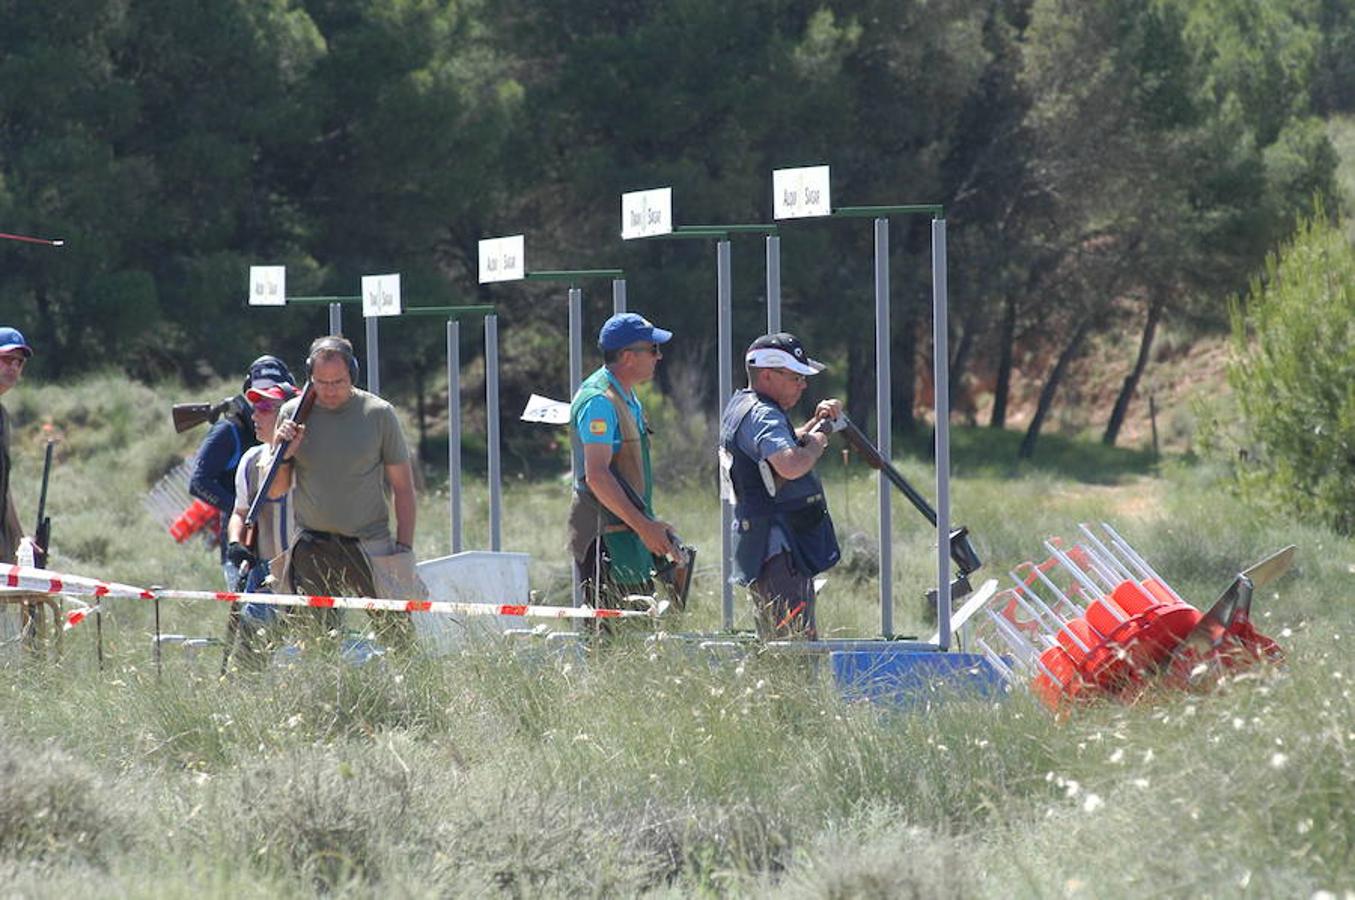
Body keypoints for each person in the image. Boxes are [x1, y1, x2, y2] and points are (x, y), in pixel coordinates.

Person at [271, 335, 420, 646]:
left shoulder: (378, 414)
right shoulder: (292, 415)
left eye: (338, 381)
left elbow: (403, 488)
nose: (329, 389)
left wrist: (403, 549)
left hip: (370, 542)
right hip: (313, 545)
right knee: (316, 640)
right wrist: (284, 453)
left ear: (353, 372)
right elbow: (277, 490)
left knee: (397, 636)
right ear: (309, 376)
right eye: (321, 381)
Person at [719, 333, 843, 640]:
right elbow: (789, 464)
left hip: (764, 544)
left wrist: (814, 425)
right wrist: (815, 446)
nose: (803, 384)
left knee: (777, 642)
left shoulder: (744, 406)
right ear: (767, 375)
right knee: (796, 646)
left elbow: (775, 450)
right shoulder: (764, 414)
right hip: (778, 549)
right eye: (796, 377)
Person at [566, 312, 677, 615]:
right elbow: (598, 477)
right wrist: (645, 526)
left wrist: (650, 524)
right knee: (609, 641)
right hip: (605, 539)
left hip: (625, 532)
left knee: (637, 633)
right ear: (628, 356)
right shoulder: (600, 400)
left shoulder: (624, 395)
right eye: (652, 349)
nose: (659, 356)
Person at [222, 359, 301, 663]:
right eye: (255, 407)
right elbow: (240, 512)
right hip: (263, 576)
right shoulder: (250, 460)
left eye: (265, 408)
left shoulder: (310, 459)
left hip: (306, 575)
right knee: (249, 665)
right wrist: (235, 544)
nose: (255, 415)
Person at [190, 358, 283, 588]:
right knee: (247, 617)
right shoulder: (229, 430)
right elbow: (198, 482)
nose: (264, 403)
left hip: (282, 545)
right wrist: (243, 511)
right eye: (258, 396)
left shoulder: (290, 432)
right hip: (242, 545)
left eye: (271, 398)